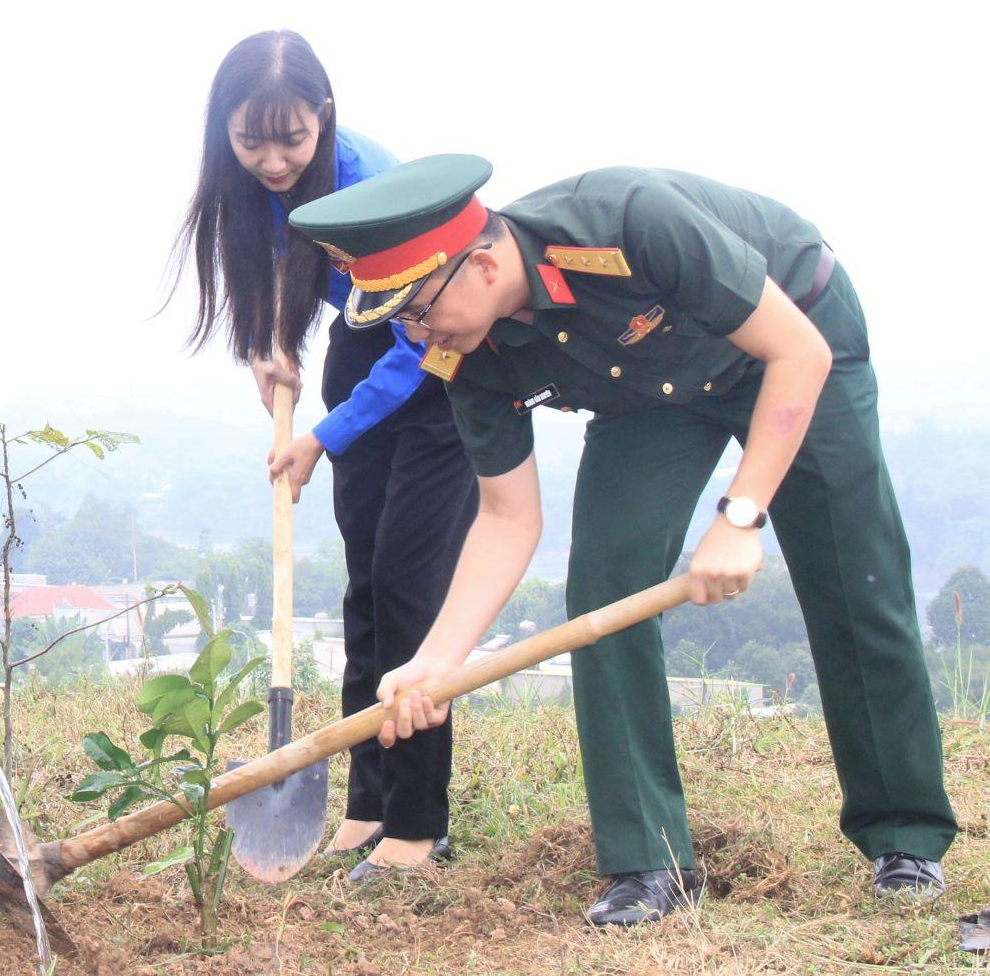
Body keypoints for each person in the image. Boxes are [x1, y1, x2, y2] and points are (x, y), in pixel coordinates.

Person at [286, 155, 956, 925]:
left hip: (794, 338)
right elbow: (507, 517)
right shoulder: (466, 353)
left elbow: (794, 352)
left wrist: (739, 517)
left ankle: (902, 836)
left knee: (853, 575)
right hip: (651, 396)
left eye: (416, 309)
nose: (414, 332)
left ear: (478, 263)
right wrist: (435, 661)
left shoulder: (629, 222)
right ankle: (648, 860)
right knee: (606, 591)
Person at [169, 32, 477, 880]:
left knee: (411, 594)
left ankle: (419, 826)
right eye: (250, 140)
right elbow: (272, 266)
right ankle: (368, 805)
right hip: (364, 346)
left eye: (292, 139)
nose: (272, 160)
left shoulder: (372, 185)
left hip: (442, 363)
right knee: (367, 588)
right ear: (223, 132)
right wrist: (268, 342)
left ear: (324, 120)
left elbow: (419, 348)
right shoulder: (246, 185)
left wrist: (322, 436)